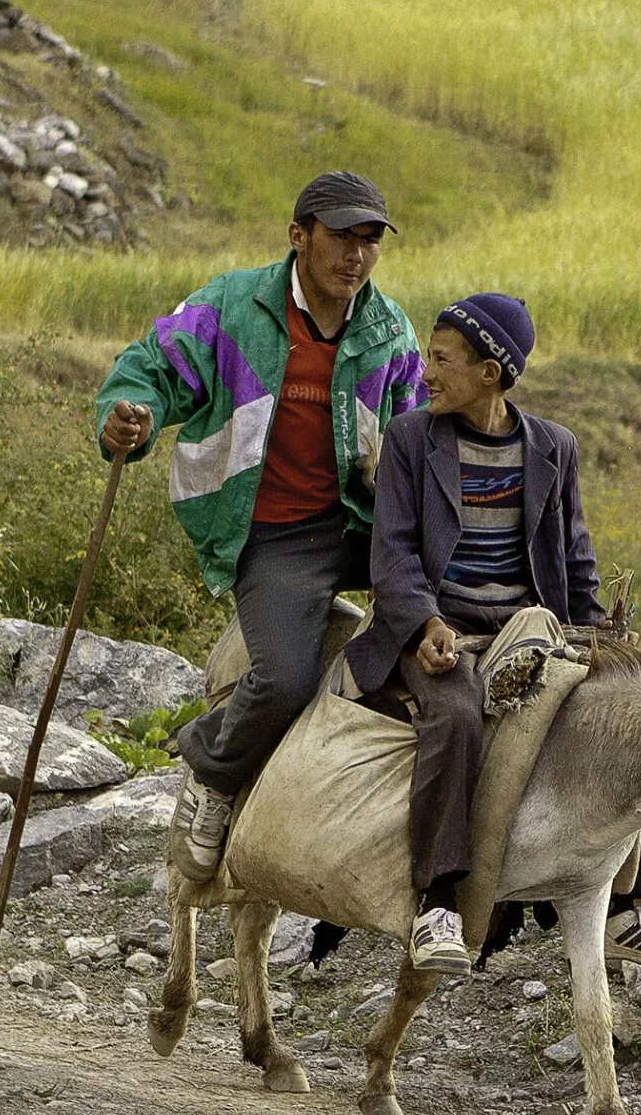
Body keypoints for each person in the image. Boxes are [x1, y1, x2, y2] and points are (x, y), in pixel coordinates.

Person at [346, 293, 641, 976]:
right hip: (439, 625)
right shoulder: (411, 441)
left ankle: (630, 908)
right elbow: (390, 554)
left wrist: (601, 633)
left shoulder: (552, 448)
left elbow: (573, 554)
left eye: (442, 359)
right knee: (453, 714)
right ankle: (440, 904)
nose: (425, 371)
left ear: (490, 372)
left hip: (531, 627)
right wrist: (424, 623)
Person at [95, 171, 426, 881]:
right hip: (280, 533)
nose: (357, 256)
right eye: (342, 237)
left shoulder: (389, 329)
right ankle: (214, 772)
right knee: (281, 680)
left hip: (370, 526)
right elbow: (146, 367)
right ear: (298, 235)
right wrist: (129, 414)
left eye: (370, 241)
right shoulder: (229, 308)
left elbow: (422, 429)